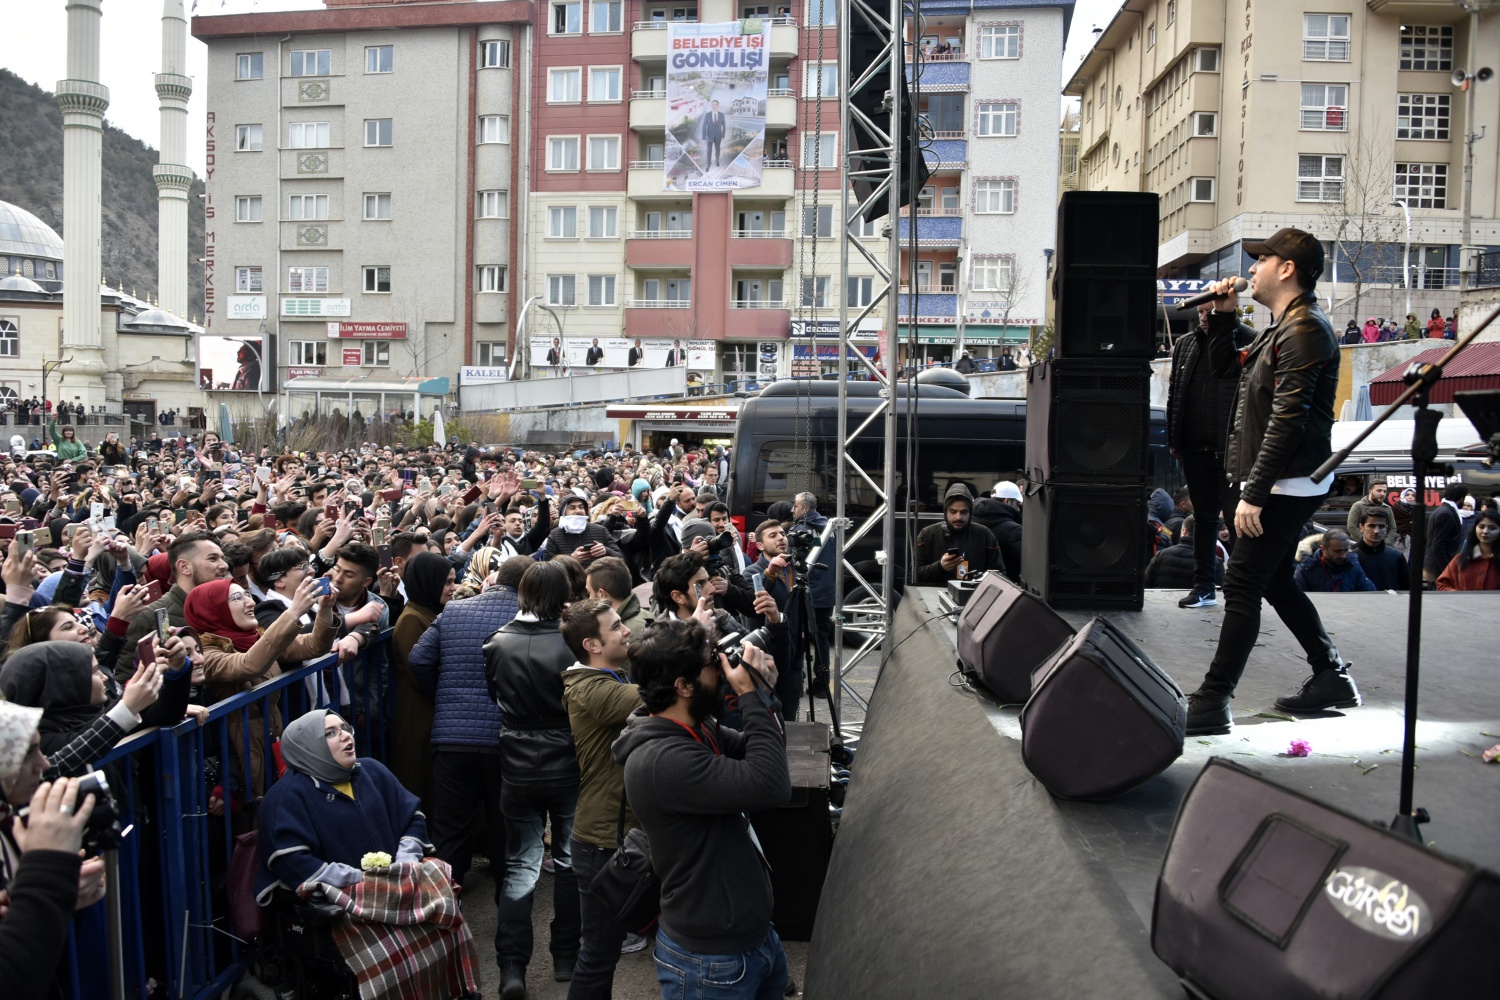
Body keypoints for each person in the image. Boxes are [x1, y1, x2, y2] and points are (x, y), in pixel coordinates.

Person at [1185, 228, 1356, 737]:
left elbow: (1289, 420)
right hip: (1275, 481)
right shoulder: (1281, 327)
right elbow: (1224, 372)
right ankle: (1331, 675)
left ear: (1287, 269)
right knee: (1275, 580)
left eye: (1261, 260)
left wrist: (1253, 495)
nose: (1252, 268)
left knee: (1240, 584)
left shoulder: (1306, 329)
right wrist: (1220, 314)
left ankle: (1214, 700)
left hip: (1286, 484)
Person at [612, 617, 791, 1000]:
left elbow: (768, 753)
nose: (722, 668)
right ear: (683, 685)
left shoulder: (695, 728)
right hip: (710, 961)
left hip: (753, 937)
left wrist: (765, 695)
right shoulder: (664, 759)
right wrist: (752, 698)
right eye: (713, 662)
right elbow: (771, 785)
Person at [483, 561, 581, 997]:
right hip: (566, 758)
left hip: (517, 761)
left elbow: (495, 695)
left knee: (520, 865)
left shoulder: (496, 642)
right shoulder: (571, 642)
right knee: (568, 863)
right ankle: (565, 955)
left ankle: (512, 967)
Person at [253, 709, 429, 904]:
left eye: (345, 728)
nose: (345, 735)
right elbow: (290, 860)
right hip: (336, 906)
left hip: (401, 886)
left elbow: (412, 817)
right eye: (331, 733)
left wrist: (405, 861)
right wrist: (359, 881)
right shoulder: (284, 797)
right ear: (308, 746)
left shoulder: (373, 771)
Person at [189, 576, 338, 798]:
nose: (250, 603)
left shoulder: (253, 637)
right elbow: (249, 665)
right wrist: (292, 613)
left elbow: (314, 646)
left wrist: (325, 609)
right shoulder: (205, 654)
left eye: (247, 594)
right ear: (213, 609)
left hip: (272, 745)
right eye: (237, 598)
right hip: (239, 760)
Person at [559, 600, 640, 1000]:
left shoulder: (610, 677)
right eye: (617, 627)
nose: (626, 630)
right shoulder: (593, 690)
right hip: (604, 842)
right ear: (592, 644)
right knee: (599, 955)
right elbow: (657, 695)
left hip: (620, 834)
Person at [0, 702, 104, 1000]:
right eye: (27, 753)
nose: (43, 765)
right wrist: (46, 881)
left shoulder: (8, 818)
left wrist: (60, 893)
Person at [1167, 302, 1253, 609]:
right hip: (1195, 447)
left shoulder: (1249, 339)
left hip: (1232, 451)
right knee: (1203, 519)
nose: (1206, 316)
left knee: (1235, 519)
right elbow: (1175, 392)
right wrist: (1174, 438)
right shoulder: (1185, 343)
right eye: (1202, 311)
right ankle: (1203, 587)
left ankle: (1241, 590)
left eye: (1212, 311)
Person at [113, 530, 229, 682]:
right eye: (213, 559)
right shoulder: (149, 617)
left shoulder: (227, 607)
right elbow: (125, 680)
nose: (224, 565)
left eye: (222, 558)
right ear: (184, 567)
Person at [389, 553, 456, 813]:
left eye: (453, 581)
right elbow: (418, 668)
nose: (453, 588)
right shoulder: (412, 619)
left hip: (430, 708)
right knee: (420, 774)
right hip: (419, 712)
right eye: (447, 582)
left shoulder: (428, 611)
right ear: (428, 582)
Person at [912, 483, 1003, 583]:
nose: (958, 517)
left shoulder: (985, 535)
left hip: (972, 596)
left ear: (970, 512)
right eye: (953, 511)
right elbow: (913, 575)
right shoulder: (927, 535)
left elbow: (999, 575)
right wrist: (940, 567)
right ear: (945, 511)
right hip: (933, 596)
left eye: (964, 512)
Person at [1145, 516, 1224, 590]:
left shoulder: (1160, 555)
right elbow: (1219, 592)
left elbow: (1146, 584)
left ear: (1184, 531)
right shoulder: (1214, 561)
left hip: (1160, 602)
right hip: (1194, 604)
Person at [545, 495, 622, 566]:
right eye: (572, 508)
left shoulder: (600, 530)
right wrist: (571, 559)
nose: (578, 511)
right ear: (564, 512)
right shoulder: (555, 534)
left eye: (581, 507)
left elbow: (621, 557)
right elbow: (548, 563)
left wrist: (606, 551)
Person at [1293, 528, 1376, 592]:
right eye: (1338, 551)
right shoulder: (1306, 569)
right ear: (1323, 549)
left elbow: (1370, 592)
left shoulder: (1353, 565)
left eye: (1346, 550)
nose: (1343, 555)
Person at [1435, 508, 1499, 590]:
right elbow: (1442, 584)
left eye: (1492, 528)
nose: (1485, 531)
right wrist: (1460, 596)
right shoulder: (1461, 559)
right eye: (1481, 527)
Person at [972, 481, 1024, 583]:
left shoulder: (973, 521)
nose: (1018, 509)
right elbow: (1027, 565)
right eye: (1017, 504)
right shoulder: (1014, 530)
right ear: (1007, 501)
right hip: (1005, 587)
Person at [583, 556, 647, 636]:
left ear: (601, 594)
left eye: (589, 593)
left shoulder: (621, 636)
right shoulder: (648, 617)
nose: (589, 599)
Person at [1353, 510, 1410, 591]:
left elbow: (1407, 588)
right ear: (1361, 527)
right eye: (1371, 526)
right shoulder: (1351, 557)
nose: (1376, 531)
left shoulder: (1396, 556)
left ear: (1386, 528)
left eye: (1381, 526)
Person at [1423, 482, 1467, 585]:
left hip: (1436, 567)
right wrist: (1448, 570)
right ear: (1461, 498)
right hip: (1439, 569)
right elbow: (1438, 546)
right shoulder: (1445, 513)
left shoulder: (1442, 510)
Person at [700, 100, 727, 167]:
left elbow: (724, 125)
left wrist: (723, 135)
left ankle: (717, 161)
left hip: (718, 136)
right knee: (709, 151)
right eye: (712, 104)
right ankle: (708, 164)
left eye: (715, 104)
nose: (713, 106)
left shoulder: (721, 115)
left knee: (717, 150)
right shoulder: (707, 115)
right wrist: (704, 137)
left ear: (718, 106)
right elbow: (704, 126)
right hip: (709, 136)